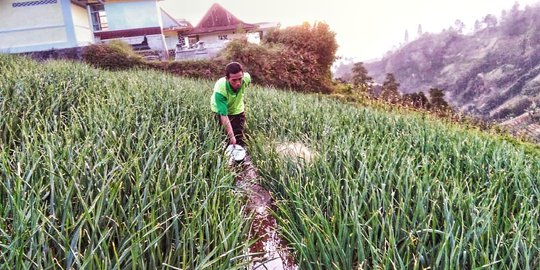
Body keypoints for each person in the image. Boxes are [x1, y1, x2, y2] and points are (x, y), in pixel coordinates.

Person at [210, 62, 251, 148]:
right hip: (220, 110)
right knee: (224, 136)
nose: (238, 83)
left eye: (240, 79)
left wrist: (235, 136)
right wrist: (231, 136)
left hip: (237, 108)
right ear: (227, 78)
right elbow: (223, 115)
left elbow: (246, 79)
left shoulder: (246, 79)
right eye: (234, 80)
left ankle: (241, 157)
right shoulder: (220, 89)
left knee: (239, 136)